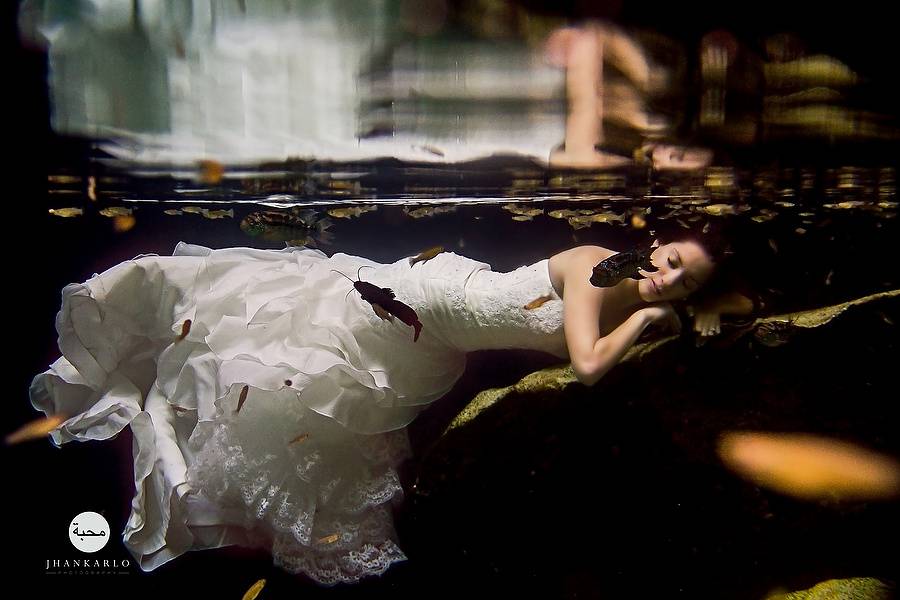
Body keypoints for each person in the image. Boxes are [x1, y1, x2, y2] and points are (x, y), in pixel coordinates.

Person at [28, 235, 739, 585]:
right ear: (655, 241)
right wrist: (647, 324)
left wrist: (675, 319)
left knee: (331, 412)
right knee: (297, 364)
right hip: (435, 303)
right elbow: (586, 364)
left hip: (441, 345)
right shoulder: (597, 262)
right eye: (671, 258)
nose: (664, 278)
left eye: (683, 283)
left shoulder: (640, 296)